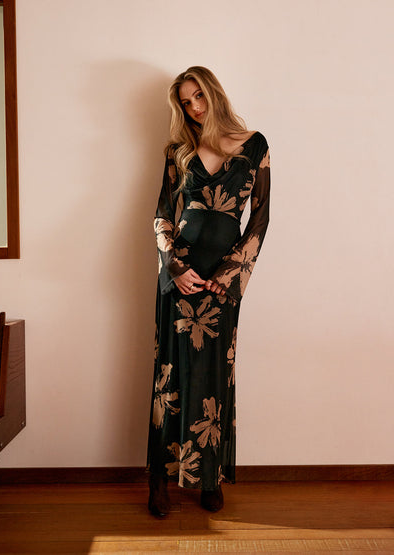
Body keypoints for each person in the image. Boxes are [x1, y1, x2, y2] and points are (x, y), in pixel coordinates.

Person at [146, 66, 271, 517]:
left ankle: (209, 478)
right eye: (186, 102)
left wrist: (231, 273)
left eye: (198, 96)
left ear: (213, 92)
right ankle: (159, 482)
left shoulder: (254, 145)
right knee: (171, 378)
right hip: (180, 277)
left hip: (222, 281)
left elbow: (260, 218)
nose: (195, 107)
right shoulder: (178, 151)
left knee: (216, 376)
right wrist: (174, 267)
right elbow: (162, 216)